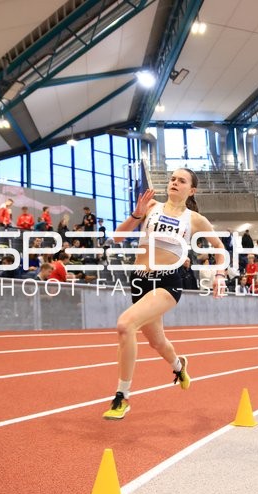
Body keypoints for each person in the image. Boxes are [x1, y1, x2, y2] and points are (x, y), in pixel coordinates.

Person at [102, 168, 226, 420]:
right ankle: (179, 366)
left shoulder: (195, 219)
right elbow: (117, 237)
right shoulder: (150, 206)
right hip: (139, 281)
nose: (174, 183)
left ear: (191, 190)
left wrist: (220, 274)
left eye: (181, 181)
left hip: (168, 281)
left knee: (125, 325)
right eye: (172, 179)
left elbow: (219, 248)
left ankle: (122, 396)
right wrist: (137, 214)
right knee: (156, 342)